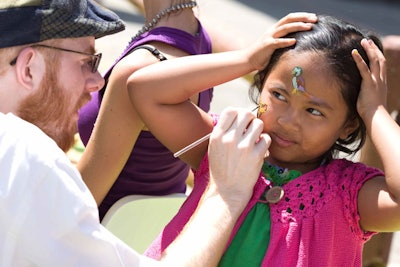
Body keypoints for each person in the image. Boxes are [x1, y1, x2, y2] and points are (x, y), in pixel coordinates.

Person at [0, 0, 271, 265]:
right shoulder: (28, 161)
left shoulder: (26, 159)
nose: (98, 81)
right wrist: (225, 195)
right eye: (87, 63)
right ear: (28, 69)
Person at [126, 13, 399, 266]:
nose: (287, 121)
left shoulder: (348, 196)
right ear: (261, 83)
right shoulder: (229, 146)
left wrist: (374, 111)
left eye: (314, 111)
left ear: (348, 125)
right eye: (279, 95)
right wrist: (246, 59)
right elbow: (145, 89)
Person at [77, 0, 214, 220]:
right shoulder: (196, 34)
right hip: (149, 232)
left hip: (96, 235)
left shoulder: (141, 68)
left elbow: (76, 204)